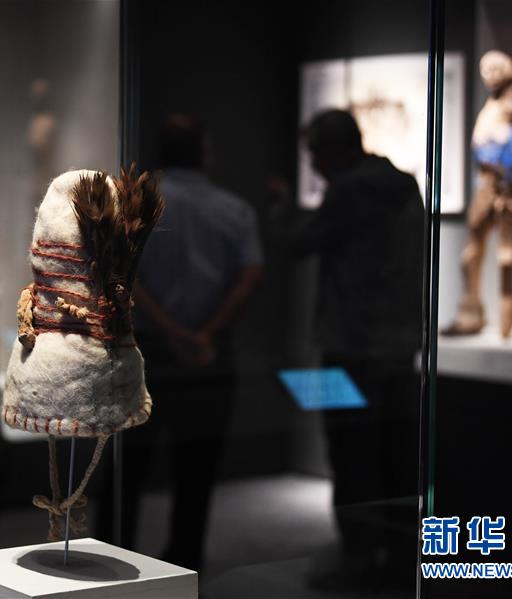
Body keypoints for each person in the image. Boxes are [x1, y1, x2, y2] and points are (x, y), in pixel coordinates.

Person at [97, 114, 264, 572]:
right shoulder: (234, 209)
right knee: (197, 469)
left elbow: (122, 277)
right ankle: (185, 565)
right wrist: (203, 334)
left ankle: (111, 565)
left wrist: (170, 330)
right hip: (209, 352)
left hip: (145, 349)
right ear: (205, 152)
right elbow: (250, 276)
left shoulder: (135, 205)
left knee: (126, 468)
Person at [273, 109, 423, 589]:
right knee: (397, 459)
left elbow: (297, 244)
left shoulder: (348, 191)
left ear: (335, 148)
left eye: (315, 152)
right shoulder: (404, 185)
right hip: (397, 348)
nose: (313, 163)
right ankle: (400, 562)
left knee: (351, 457)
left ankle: (357, 562)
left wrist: (281, 205)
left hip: (350, 346)